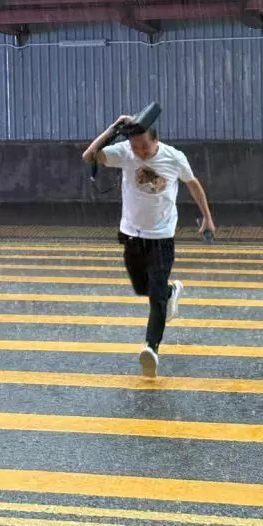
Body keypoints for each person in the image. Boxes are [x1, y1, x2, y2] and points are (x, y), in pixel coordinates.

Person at [83, 115, 216, 378]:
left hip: (162, 237)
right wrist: (113, 128)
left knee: (155, 295)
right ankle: (170, 291)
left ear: (156, 140)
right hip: (131, 234)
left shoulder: (174, 157)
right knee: (142, 287)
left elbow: (193, 185)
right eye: (135, 147)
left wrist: (207, 218)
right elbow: (89, 156)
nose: (140, 152)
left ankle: (151, 347)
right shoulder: (124, 152)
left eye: (144, 147)